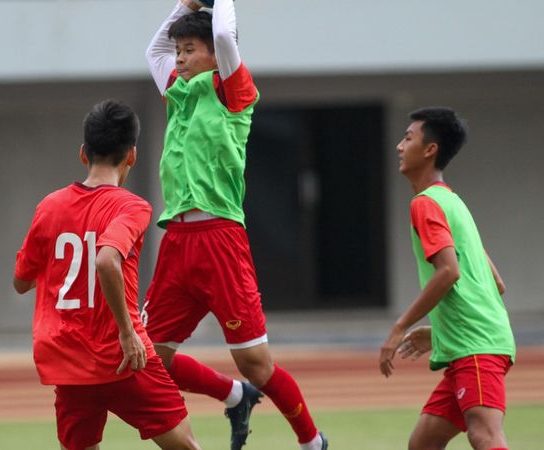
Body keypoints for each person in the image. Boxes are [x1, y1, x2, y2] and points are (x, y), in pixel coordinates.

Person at [144, 1, 327, 449]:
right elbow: (154, 52)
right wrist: (184, 7)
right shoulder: (179, 91)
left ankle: (312, 441)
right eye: (180, 51)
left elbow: (225, 36)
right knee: (147, 359)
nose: (180, 58)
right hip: (177, 242)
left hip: (220, 238)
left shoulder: (233, 89)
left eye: (189, 50)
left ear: (213, 56)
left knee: (256, 364)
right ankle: (233, 396)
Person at [13, 100, 201, 450]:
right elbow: (106, 261)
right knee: (186, 445)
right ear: (132, 155)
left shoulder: (49, 207)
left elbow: (21, 281)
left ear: (83, 153)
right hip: (122, 356)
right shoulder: (131, 207)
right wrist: (128, 334)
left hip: (68, 361)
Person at [379, 107, 516, 450]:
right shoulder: (453, 203)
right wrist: (441, 332)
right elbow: (495, 282)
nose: (399, 146)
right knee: (423, 443)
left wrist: (399, 328)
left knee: (484, 435)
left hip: (476, 346)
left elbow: (449, 272)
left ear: (430, 150)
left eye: (408, 138)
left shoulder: (426, 204)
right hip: (471, 346)